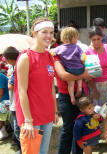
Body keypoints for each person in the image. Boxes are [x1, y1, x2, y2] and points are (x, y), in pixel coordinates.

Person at [14, 17, 59, 154]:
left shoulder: (49, 56)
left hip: (47, 113)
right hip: (31, 116)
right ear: (34, 33)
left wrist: (55, 110)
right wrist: (28, 121)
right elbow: (21, 91)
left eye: (51, 32)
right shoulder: (25, 57)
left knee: (43, 152)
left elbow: (51, 86)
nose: (49, 36)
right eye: (44, 32)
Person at [54, 30, 93, 154]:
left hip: (80, 94)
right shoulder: (56, 56)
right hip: (66, 95)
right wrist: (83, 74)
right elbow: (64, 76)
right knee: (68, 128)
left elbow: (88, 71)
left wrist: (86, 73)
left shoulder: (60, 51)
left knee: (80, 126)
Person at [86, 26, 107, 106]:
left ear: (102, 37)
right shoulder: (88, 52)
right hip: (96, 86)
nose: (96, 42)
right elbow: (88, 76)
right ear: (90, 39)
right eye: (93, 40)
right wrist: (94, 90)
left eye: (98, 39)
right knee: (98, 113)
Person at [54, 27, 84, 104]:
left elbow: (52, 52)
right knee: (79, 79)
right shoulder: (77, 47)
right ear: (74, 38)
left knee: (70, 85)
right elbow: (82, 56)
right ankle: (80, 88)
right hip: (79, 68)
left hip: (69, 70)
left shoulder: (60, 48)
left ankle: (72, 98)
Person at [2, 46, 21, 150]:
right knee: (16, 127)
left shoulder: (17, 68)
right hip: (16, 103)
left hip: (16, 104)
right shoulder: (17, 67)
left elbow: (10, 86)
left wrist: (9, 79)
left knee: (17, 128)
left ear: (9, 59)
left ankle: (22, 148)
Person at [0, 72, 9, 140]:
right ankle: (3, 131)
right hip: (3, 100)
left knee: (1, 116)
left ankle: (3, 131)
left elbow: (1, 93)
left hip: (5, 100)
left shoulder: (1, 77)